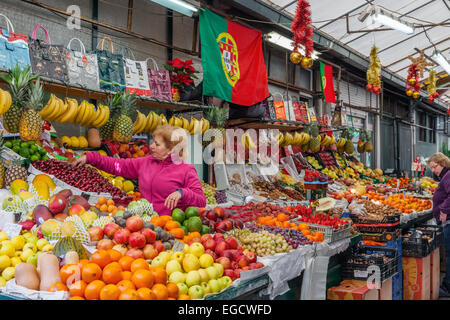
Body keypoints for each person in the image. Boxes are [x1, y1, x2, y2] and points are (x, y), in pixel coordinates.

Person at [72, 124, 206, 215]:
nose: (151, 146)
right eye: (153, 142)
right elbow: (118, 165)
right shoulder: (145, 162)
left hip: (171, 228)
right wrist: (90, 158)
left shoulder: (186, 170)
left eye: (157, 144)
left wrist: (182, 193)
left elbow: (201, 200)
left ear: (171, 149)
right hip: (146, 225)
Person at [427, 152, 450, 297]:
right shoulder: (446, 176)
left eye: (434, 167)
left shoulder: (448, 176)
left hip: (448, 220)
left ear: (441, 163)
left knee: (449, 255)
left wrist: (443, 209)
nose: (434, 171)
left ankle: (447, 287)